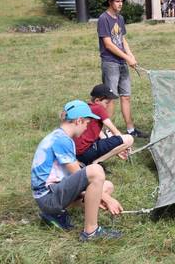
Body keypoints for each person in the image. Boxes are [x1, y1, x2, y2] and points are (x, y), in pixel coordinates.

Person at [31, 100, 123, 241]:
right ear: (79, 121)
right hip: (48, 198)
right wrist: (108, 200)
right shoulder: (61, 140)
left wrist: (101, 196)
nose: (87, 127)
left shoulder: (61, 137)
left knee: (107, 186)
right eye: (87, 123)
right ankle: (91, 231)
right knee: (96, 171)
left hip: (53, 192)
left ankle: (56, 214)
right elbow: (79, 173)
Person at [97, 0, 147, 138]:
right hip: (110, 63)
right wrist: (127, 58)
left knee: (126, 96)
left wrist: (130, 55)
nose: (120, 4)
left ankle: (131, 129)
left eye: (121, 1)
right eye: (117, 1)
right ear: (110, 2)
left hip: (122, 62)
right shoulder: (103, 19)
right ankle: (106, 132)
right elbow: (108, 44)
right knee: (111, 98)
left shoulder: (120, 19)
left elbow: (122, 39)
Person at [75, 84, 135, 166]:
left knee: (106, 137)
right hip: (86, 152)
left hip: (77, 154)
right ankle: (96, 163)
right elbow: (115, 132)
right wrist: (126, 145)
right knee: (129, 138)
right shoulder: (98, 108)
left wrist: (117, 150)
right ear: (97, 101)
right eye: (107, 102)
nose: (107, 105)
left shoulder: (87, 108)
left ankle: (86, 163)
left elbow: (101, 135)